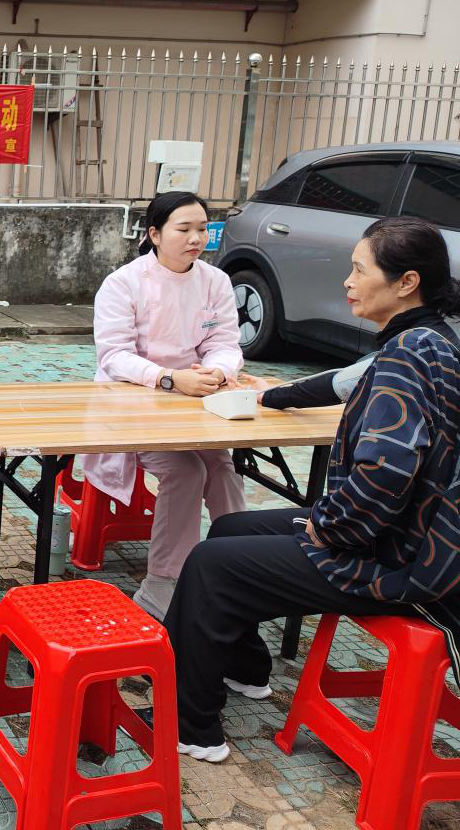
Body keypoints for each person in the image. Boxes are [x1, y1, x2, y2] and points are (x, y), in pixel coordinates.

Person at [164, 216, 460, 763]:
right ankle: (246, 670)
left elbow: (385, 474)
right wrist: (270, 396)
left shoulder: (408, 356)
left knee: (210, 564)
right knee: (230, 527)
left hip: (404, 561)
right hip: (403, 535)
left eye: (359, 270)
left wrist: (327, 528)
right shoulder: (430, 339)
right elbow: (344, 387)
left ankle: (190, 727)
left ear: (406, 283)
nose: (348, 281)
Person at [82, 191, 245, 621]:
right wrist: (169, 378)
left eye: (203, 229)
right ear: (154, 234)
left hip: (193, 401)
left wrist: (218, 370)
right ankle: (162, 584)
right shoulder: (124, 283)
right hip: (132, 402)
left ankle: (238, 564)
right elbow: (114, 356)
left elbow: (224, 341)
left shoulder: (215, 281)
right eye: (184, 229)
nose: (196, 238)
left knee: (223, 467)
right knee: (186, 470)